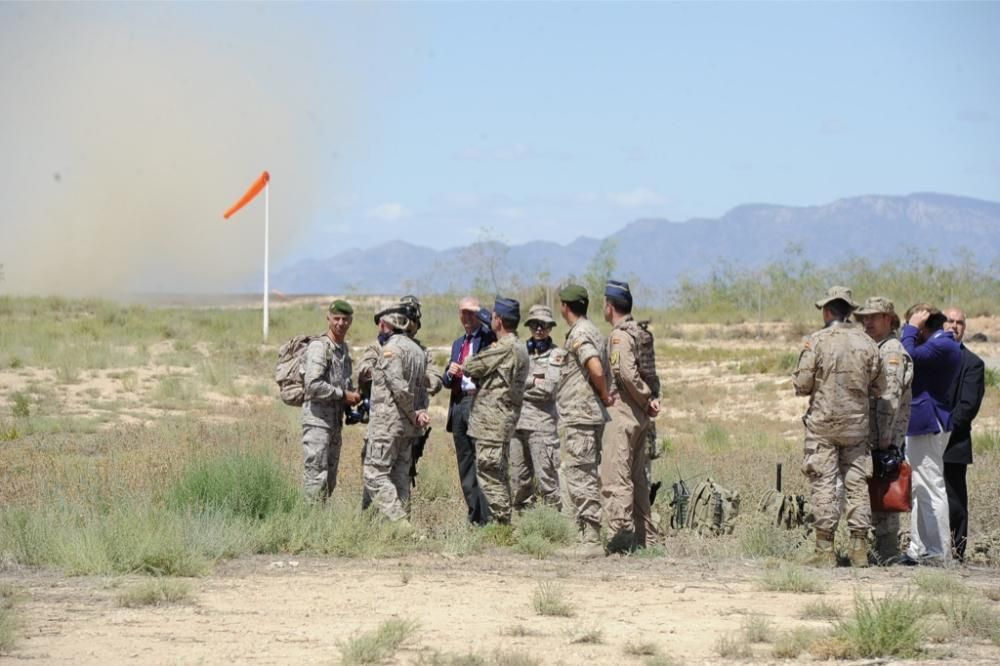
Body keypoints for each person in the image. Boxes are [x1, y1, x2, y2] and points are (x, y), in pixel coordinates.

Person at [792, 286, 884, 567]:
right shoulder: (868, 343)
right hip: (857, 426)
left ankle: (824, 550)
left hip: (823, 426)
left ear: (828, 311)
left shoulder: (817, 341)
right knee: (857, 483)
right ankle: (858, 550)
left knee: (824, 483)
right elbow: (880, 387)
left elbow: (801, 384)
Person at [600, 280, 661, 553]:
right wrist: (650, 401)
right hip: (640, 416)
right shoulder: (640, 332)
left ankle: (621, 538)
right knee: (637, 480)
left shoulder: (619, 337)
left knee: (617, 477)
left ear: (609, 307)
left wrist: (645, 398)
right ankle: (647, 538)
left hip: (624, 413)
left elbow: (626, 375)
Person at [899, 303, 962, 565]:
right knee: (919, 487)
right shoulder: (939, 343)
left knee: (931, 486)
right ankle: (921, 548)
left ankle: (938, 551)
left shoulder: (942, 344)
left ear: (924, 326)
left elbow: (907, 353)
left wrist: (911, 326)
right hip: (922, 421)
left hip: (929, 422)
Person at [553, 284, 613, 557]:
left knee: (581, 474)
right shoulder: (591, 329)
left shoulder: (580, 333)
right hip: (583, 414)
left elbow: (595, 367)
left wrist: (603, 393)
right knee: (577, 471)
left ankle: (591, 540)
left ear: (565, 306)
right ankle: (579, 535)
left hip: (581, 415)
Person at [853, 296, 913, 564]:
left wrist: (885, 441)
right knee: (872, 495)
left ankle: (887, 554)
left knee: (885, 496)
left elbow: (888, 400)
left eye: (873, 317)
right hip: (873, 435)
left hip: (883, 437)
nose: (867, 322)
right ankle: (877, 552)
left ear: (889, 319)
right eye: (864, 317)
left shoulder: (891, 351)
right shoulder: (877, 347)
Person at [462, 297, 530, 525]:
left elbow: (471, 367)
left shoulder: (504, 347)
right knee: (498, 472)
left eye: (492, 317)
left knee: (489, 473)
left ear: (498, 321)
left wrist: (475, 360)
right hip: (504, 419)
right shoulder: (518, 345)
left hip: (492, 421)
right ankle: (503, 523)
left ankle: (502, 525)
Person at [363, 310, 430, 522]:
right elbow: (421, 390)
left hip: (387, 425)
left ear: (386, 325)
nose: (379, 330)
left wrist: (412, 414)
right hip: (407, 429)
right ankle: (401, 528)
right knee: (400, 477)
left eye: (381, 325)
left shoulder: (391, 349)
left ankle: (400, 525)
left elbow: (399, 389)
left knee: (374, 474)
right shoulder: (417, 351)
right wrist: (418, 414)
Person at [300, 299, 362, 501]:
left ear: (351, 321)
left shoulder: (343, 349)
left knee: (329, 481)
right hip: (317, 422)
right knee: (315, 479)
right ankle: (308, 525)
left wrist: (353, 397)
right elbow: (313, 384)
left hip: (335, 424)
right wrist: (343, 395)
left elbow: (343, 384)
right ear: (328, 319)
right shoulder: (320, 347)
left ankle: (320, 523)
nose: (340, 323)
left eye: (345, 319)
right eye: (336, 319)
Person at [442, 297, 493, 525]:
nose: (467, 318)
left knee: (483, 460)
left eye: (472, 313)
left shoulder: (488, 339)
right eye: (464, 313)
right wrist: (450, 372)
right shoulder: (457, 344)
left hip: (480, 402)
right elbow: (445, 382)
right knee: (465, 462)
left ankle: (489, 517)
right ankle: (474, 517)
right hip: (460, 403)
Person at [509, 304, 563, 512]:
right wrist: (533, 381)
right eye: (534, 325)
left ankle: (555, 525)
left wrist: (522, 384)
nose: (539, 329)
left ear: (550, 327)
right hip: (517, 424)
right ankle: (522, 525)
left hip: (542, 426)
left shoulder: (556, 354)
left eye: (543, 325)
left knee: (546, 479)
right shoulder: (520, 351)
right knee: (519, 481)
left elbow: (548, 388)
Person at [942, 307, 985, 562]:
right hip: (923, 442)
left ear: (964, 329)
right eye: (949, 320)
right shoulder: (927, 359)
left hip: (953, 443)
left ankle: (956, 552)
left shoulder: (973, 363)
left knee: (954, 501)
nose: (953, 326)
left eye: (959, 323)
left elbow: (968, 407)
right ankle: (928, 547)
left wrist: (940, 429)